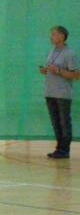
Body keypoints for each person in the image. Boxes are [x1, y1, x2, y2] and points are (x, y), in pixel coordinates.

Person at [39, 26, 78, 159]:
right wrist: (46, 71)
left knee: (64, 122)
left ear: (62, 36)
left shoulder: (70, 53)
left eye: (54, 34)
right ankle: (59, 148)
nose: (52, 37)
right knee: (55, 122)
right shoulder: (52, 51)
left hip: (62, 94)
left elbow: (76, 75)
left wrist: (58, 71)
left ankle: (65, 150)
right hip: (50, 92)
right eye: (52, 34)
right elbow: (51, 69)